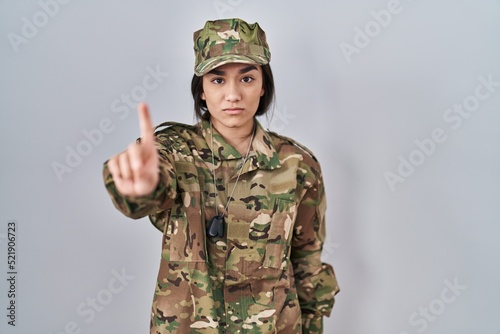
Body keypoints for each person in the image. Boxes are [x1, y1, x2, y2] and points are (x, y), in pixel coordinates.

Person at [103, 18, 339, 334]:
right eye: (217, 80)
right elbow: (147, 190)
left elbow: (308, 260)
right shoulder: (174, 151)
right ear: (200, 89)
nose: (232, 95)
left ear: (263, 85)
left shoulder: (296, 164)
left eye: (246, 78)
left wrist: (313, 326)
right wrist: (141, 188)